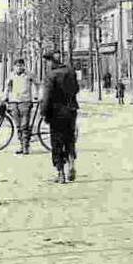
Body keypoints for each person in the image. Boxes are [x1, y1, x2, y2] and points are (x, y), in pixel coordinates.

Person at [40, 50, 79, 184]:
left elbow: (47, 97)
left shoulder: (50, 75)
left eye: (47, 62)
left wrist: (44, 112)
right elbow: (76, 89)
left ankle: (61, 173)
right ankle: (72, 164)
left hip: (56, 113)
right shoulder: (70, 71)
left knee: (57, 143)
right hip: (71, 111)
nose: (46, 64)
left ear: (51, 61)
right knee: (70, 139)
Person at [3, 58, 37, 155]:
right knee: (18, 125)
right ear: (14, 67)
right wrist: (5, 97)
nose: (19, 67)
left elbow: (37, 84)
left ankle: (26, 146)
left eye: (21, 65)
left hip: (25, 101)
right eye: (17, 66)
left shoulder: (29, 75)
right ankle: (21, 145)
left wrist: (36, 95)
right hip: (14, 101)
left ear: (23, 66)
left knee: (24, 125)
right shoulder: (11, 76)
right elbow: (7, 88)